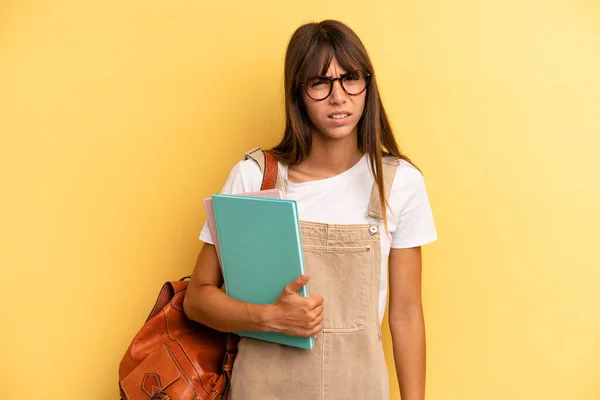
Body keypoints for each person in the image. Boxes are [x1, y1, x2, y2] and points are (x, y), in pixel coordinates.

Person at [183, 19, 437, 400]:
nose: (339, 97)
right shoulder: (256, 178)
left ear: (368, 84)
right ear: (298, 93)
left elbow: (406, 314)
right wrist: (268, 317)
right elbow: (197, 298)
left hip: (359, 388)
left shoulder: (399, 183)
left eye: (351, 78)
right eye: (320, 83)